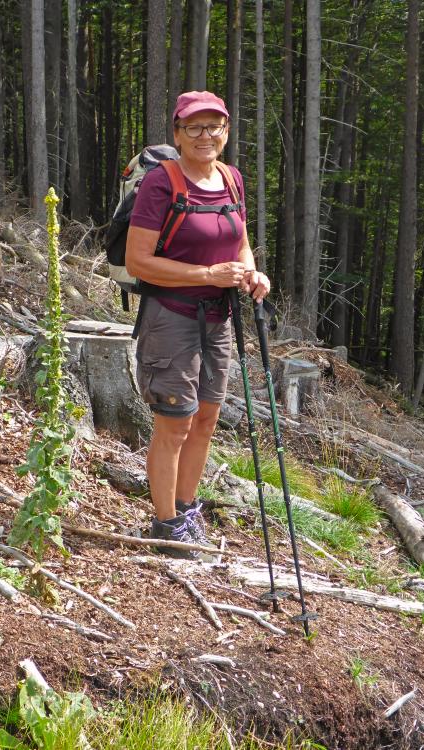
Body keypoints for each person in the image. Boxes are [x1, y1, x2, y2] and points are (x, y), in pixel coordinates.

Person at [125, 90, 270, 558]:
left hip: (220, 318)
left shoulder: (231, 179)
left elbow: (240, 242)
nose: (205, 135)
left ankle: (187, 510)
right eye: (194, 127)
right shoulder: (161, 184)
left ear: (226, 132)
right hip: (171, 318)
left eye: (214, 126)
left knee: (206, 418)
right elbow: (139, 262)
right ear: (178, 132)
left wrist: (251, 272)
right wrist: (206, 275)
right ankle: (165, 526)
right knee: (174, 423)